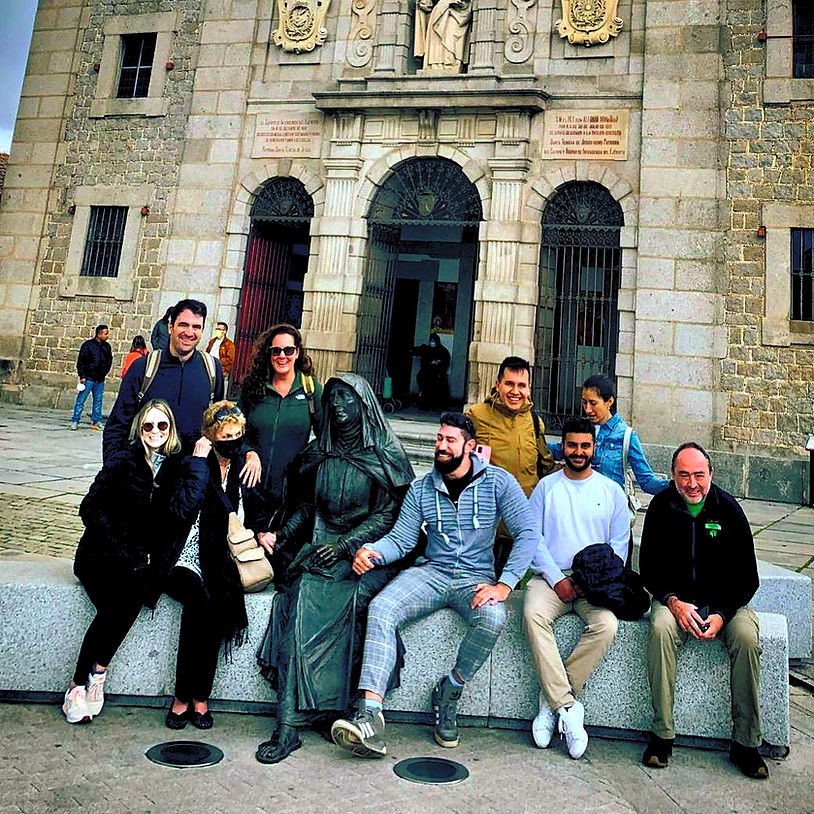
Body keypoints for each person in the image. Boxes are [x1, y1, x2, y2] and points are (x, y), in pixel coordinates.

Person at [330, 412, 537, 758]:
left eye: (449, 440)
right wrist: (372, 552)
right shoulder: (421, 488)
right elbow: (401, 539)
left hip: (474, 578)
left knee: (493, 618)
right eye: (439, 439)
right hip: (432, 572)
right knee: (382, 608)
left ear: (470, 447)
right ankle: (370, 717)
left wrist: (505, 586)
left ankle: (449, 691)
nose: (440, 446)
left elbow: (527, 533)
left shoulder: (499, 483)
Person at [254, 374, 414, 764]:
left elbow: (390, 513)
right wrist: (282, 534)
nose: (338, 405)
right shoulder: (320, 454)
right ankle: (288, 725)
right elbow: (307, 507)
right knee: (300, 602)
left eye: (347, 398)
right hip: (320, 549)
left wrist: (345, 546)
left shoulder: (383, 458)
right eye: (333, 398)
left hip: (366, 554)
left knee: (358, 604)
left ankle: (339, 710)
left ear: (364, 405)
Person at [63, 399, 209, 724]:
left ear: (170, 429)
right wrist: (121, 543)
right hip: (98, 558)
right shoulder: (123, 462)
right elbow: (89, 508)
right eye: (148, 426)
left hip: (136, 564)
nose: (155, 432)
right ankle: (78, 685)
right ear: (139, 430)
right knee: (116, 607)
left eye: (162, 425)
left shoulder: (174, 467)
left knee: (140, 596)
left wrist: (200, 461)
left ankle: (97, 676)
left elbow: (180, 511)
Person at [639, 442, 768, 779]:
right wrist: (672, 601)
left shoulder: (729, 509)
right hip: (676, 601)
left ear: (711, 474)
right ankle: (661, 734)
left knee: (747, 637)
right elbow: (649, 567)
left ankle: (746, 742)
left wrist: (723, 614)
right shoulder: (661, 507)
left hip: (726, 604)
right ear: (673, 476)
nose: (692, 483)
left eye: (699, 475)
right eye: (684, 475)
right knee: (660, 629)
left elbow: (748, 578)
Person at [523, 416, 630, 759]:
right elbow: (533, 539)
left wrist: (585, 583)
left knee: (606, 625)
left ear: (594, 447)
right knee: (531, 614)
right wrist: (558, 579)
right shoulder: (546, 488)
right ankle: (569, 709)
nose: (579, 451)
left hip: (594, 584)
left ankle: (551, 701)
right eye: (572, 445)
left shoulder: (611, 492)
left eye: (585, 445)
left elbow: (618, 548)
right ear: (563, 447)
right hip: (551, 577)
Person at [162, 400, 268, 730]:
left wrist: (265, 531)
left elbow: (257, 507)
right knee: (200, 600)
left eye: (238, 435)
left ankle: (198, 696)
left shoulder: (241, 465)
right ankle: (185, 696)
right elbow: (176, 510)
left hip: (219, 559)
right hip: (180, 555)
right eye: (225, 435)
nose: (232, 441)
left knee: (211, 602)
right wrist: (196, 463)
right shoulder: (189, 462)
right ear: (210, 435)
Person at [102, 300, 262, 487]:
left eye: (196, 327)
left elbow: (219, 426)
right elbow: (117, 425)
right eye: (183, 325)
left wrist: (247, 452)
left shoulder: (212, 369)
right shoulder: (143, 368)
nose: (189, 332)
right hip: (143, 477)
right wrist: (114, 471)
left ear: (202, 331)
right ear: (170, 327)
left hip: (189, 480)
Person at [467, 355, 557, 571]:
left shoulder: (535, 422)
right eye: (509, 384)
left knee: (514, 589)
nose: (515, 391)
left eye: (521, 385)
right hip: (485, 528)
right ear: (498, 385)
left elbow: (545, 465)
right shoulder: (475, 416)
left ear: (529, 389)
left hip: (521, 526)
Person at [238, 324, 322, 508]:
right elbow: (234, 431)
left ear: (298, 352)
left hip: (291, 494)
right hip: (250, 488)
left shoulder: (311, 390)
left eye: (288, 350)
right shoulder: (253, 386)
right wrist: (248, 452)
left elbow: (325, 438)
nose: (282, 356)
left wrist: (304, 465)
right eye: (276, 351)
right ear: (269, 354)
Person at [69, 324, 113, 431]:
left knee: (98, 400)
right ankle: (75, 420)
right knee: (81, 399)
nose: (107, 336)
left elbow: (109, 361)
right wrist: (82, 375)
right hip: (88, 377)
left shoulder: (106, 347)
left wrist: (104, 373)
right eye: (105, 333)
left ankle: (96, 420)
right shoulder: (88, 345)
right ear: (99, 334)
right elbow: (81, 361)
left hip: (100, 378)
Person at [414, 0, 473, 72]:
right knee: (436, 39)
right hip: (440, 9)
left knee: (450, 36)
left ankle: (451, 63)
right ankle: (436, 64)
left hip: (458, 12)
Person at [411, 332, 450, 410]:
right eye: (431, 340)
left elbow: (445, 362)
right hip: (426, 374)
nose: (432, 342)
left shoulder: (442, 351)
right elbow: (417, 351)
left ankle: (436, 406)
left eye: (433, 341)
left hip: (437, 375)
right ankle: (424, 405)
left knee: (437, 390)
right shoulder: (427, 349)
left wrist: (437, 363)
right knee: (425, 390)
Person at [206, 321, 235, 387]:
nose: (217, 331)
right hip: (209, 367)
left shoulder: (229, 344)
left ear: (224, 331)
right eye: (217, 329)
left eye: (219, 329)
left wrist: (217, 362)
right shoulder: (212, 341)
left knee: (216, 387)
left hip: (220, 369)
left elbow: (230, 359)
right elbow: (207, 351)